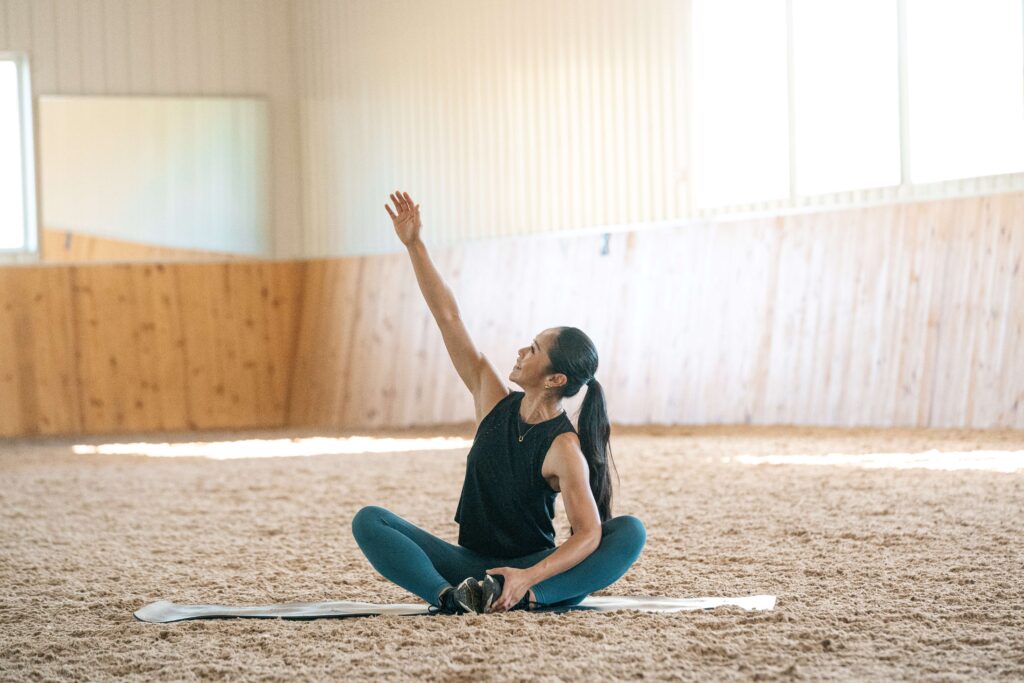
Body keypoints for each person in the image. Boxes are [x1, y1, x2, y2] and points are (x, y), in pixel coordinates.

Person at [351, 190, 646, 615]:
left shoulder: (565, 448)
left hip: (533, 570)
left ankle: (524, 597)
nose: (521, 352)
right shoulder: (492, 399)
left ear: (556, 379)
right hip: (469, 566)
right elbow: (448, 317)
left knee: (629, 531)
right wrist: (414, 244)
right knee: (369, 520)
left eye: (533, 349)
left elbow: (587, 535)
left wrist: (527, 577)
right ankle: (451, 599)